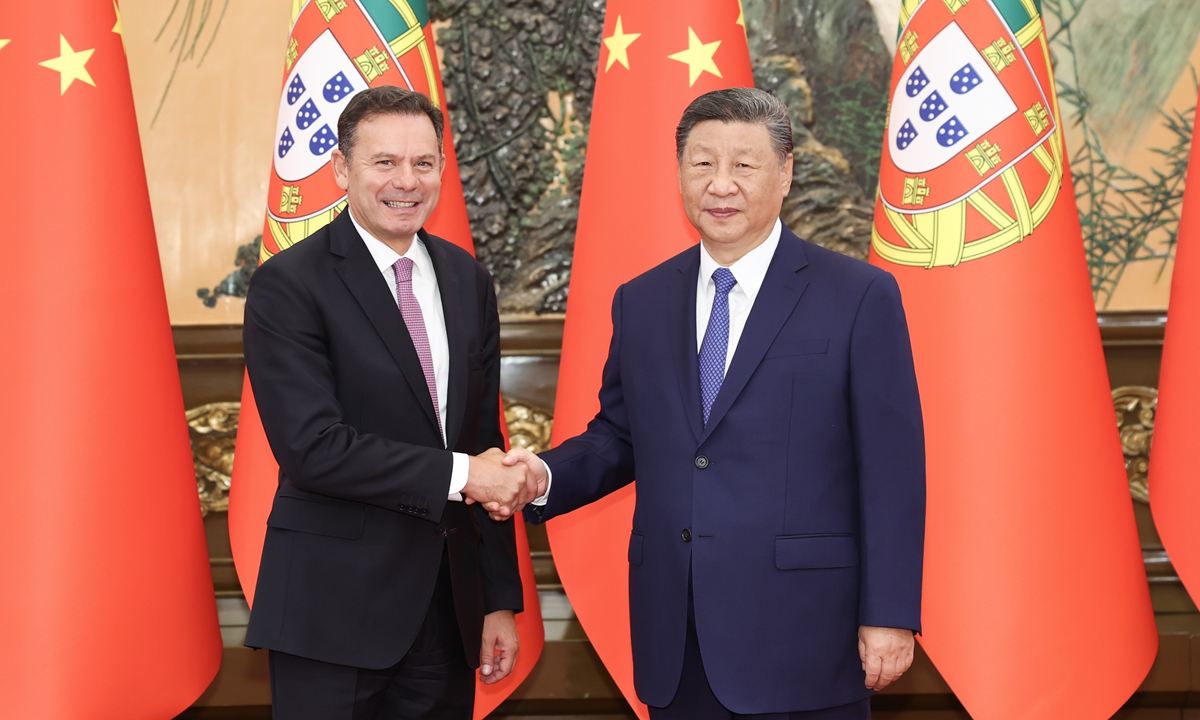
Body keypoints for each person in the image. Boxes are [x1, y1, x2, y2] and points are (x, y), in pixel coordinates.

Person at [504, 88, 926, 719]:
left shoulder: (858, 295)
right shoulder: (641, 301)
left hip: (806, 637)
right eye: (702, 164)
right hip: (679, 636)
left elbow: (892, 468)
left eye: (744, 165)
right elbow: (621, 436)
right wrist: (542, 475)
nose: (720, 184)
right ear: (679, 173)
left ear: (784, 175)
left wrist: (889, 615)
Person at [242, 86, 539, 720]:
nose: (406, 181)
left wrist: (496, 600)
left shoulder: (467, 279)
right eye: (384, 163)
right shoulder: (288, 285)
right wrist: (464, 474)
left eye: (424, 163)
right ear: (342, 169)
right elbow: (312, 450)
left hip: (448, 611)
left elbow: (485, 438)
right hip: (332, 612)